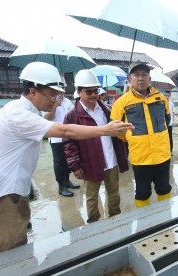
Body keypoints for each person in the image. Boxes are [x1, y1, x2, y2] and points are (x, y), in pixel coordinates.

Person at [0, 62, 133, 254]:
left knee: (2, 251)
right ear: (33, 91)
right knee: (13, 253)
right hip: (5, 193)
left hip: (4, 187)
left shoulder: (17, 108)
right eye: (52, 94)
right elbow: (64, 130)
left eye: (57, 94)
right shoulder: (20, 114)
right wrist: (105, 129)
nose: (55, 100)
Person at [63, 70, 129, 223]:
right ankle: (94, 223)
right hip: (90, 163)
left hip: (111, 160)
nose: (93, 95)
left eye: (96, 91)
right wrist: (74, 164)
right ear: (79, 92)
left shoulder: (106, 110)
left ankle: (115, 220)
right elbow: (68, 142)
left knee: (114, 194)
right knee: (92, 197)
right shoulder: (72, 116)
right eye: (89, 92)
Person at [110, 61, 172, 208]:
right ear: (130, 79)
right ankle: (144, 225)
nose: (141, 78)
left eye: (144, 74)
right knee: (143, 192)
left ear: (150, 79)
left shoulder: (161, 98)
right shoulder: (121, 103)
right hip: (140, 157)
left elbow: (167, 119)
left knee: (164, 188)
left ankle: (165, 218)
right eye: (136, 75)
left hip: (162, 155)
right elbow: (117, 130)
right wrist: (132, 138)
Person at [44, 94, 80, 197]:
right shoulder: (51, 100)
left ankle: (67, 181)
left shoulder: (67, 101)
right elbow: (47, 118)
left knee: (67, 160)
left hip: (68, 137)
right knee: (59, 163)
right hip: (56, 138)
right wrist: (55, 105)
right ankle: (61, 186)